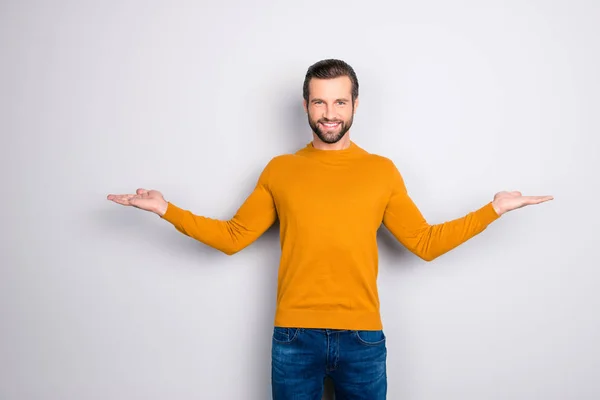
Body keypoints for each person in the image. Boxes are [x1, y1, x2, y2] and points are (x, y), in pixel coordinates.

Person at [107, 59, 553, 399]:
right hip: (293, 338)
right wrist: (166, 208)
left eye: (340, 101)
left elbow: (425, 243)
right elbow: (232, 237)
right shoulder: (281, 170)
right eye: (319, 101)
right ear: (306, 105)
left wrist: (492, 209)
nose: (329, 112)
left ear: (355, 104)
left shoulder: (381, 172)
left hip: (362, 339)